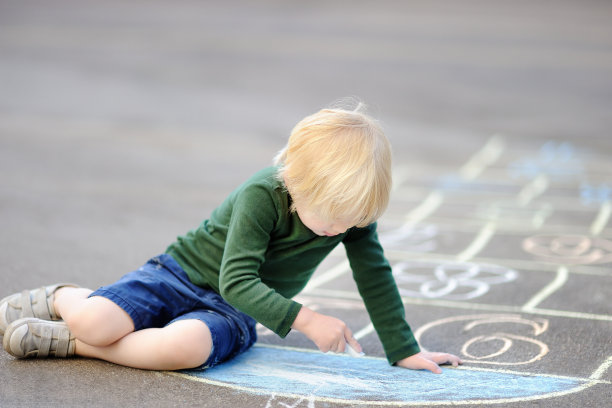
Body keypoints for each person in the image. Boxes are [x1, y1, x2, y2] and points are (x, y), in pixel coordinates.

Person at [0, 101, 462, 374]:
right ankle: (65, 300)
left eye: (352, 222)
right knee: (96, 320)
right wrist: (306, 319)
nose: (341, 231)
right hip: (180, 274)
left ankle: (71, 343)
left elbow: (374, 275)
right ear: (295, 182)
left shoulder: (350, 214)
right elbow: (237, 276)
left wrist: (403, 350)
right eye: (332, 219)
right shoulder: (264, 192)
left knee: (183, 349)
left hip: (239, 310)